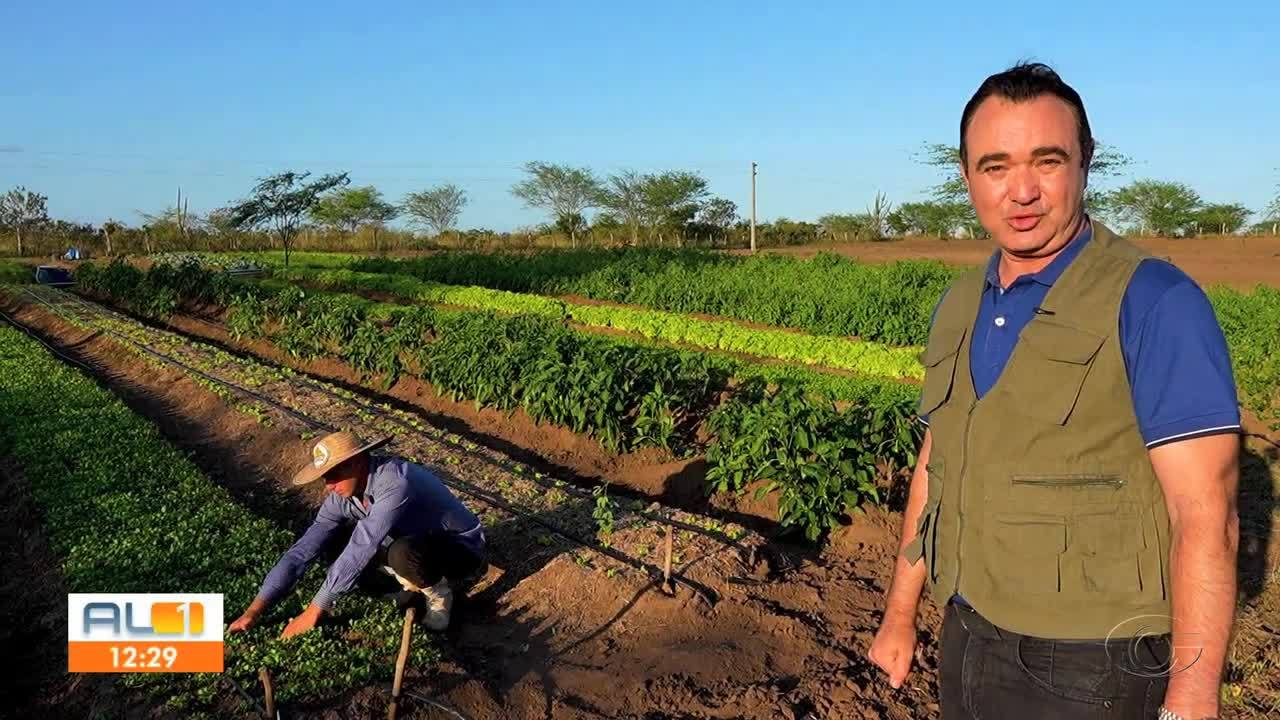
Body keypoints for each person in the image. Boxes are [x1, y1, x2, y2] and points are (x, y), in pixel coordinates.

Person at [867, 63, 1240, 720]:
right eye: (995, 166)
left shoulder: (1155, 302)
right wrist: (901, 614)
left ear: (1085, 163)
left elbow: (1206, 515)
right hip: (968, 633)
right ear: (966, 178)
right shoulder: (960, 305)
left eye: (1047, 161)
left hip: (1093, 664)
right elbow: (938, 460)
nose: (1023, 192)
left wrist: (1191, 698)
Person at [228, 431, 487, 638]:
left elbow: (364, 544)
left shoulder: (394, 482)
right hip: (416, 542)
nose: (329, 485)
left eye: (335, 474)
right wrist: (255, 610)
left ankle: (439, 594)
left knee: (400, 553)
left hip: (460, 548)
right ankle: (410, 584)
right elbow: (302, 551)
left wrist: (315, 610)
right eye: (325, 477)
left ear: (359, 462)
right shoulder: (341, 497)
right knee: (333, 541)